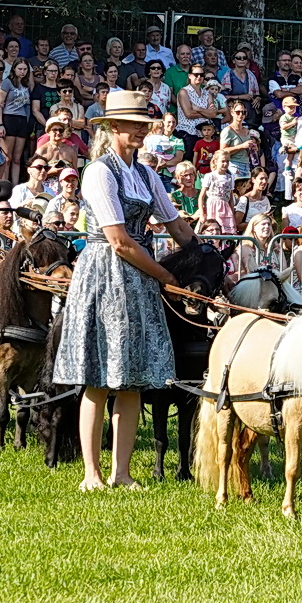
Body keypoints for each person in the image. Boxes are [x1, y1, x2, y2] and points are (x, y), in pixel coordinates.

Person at [52, 90, 198, 490]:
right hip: (105, 273)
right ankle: (91, 474)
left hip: (137, 276)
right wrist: (166, 278)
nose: (139, 130)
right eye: (132, 124)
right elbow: (119, 240)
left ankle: (122, 472)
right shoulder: (99, 172)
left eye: (143, 124)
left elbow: (177, 227)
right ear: (112, 127)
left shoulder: (148, 174)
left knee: (131, 377)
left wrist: (207, 254)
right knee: (98, 376)